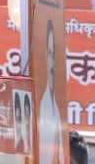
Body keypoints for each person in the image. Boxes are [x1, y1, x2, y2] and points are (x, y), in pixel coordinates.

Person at [38, 19, 65, 164]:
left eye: (53, 53)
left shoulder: (56, 107)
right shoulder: (40, 107)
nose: (52, 61)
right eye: (48, 53)